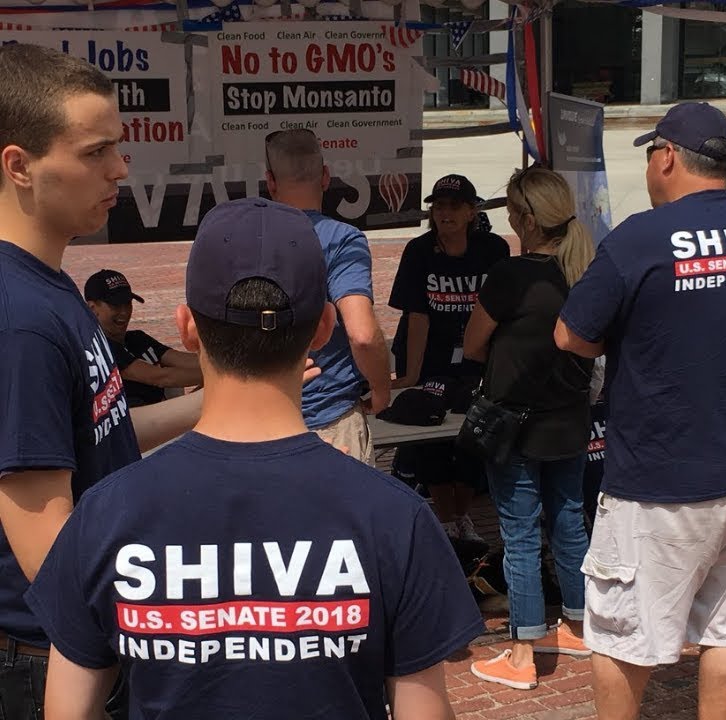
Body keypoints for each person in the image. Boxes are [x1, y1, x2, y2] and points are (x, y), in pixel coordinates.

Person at [26, 197, 484, 719]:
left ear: (186, 328)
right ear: (323, 329)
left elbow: (65, 711)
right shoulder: (396, 518)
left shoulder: (106, 512)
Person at [554, 102, 726, 720]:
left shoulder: (640, 237)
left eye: (650, 153)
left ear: (667, 156)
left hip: (660, 476)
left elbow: (570, 335)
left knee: (623, 633)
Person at [0, 44, 208, 719]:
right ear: (19, 166)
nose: (119, 168)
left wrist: (217, 401)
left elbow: (99, 434)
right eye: (95, 152)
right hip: (53, 664)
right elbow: (49, 546)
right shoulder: (20, 320)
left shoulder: (51, 284)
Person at [462, 167, 596, 690]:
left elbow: (473, 345)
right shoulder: (586, 271)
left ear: (527, 219)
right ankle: (580, 623)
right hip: (569, 419)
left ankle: (521, 654)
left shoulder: (511, 275)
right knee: (569, 523)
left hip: (516, 424)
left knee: (519, 534)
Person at [389, 173, 510, 542]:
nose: (445, 213)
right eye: (439, 206)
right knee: (431, 443)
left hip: (478, 357)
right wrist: (411, 376)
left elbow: (498, 313)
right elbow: (418, 316)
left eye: (454, 206)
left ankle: (464, 515)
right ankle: (447, 519)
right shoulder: (419, 250)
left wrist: (492, 365)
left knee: (474, 438)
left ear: (472, 211)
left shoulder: (494, 249)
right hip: (431, 357)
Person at [265, 128, 390, 466]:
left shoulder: (242, 241)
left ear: (270, 181)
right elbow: (362, 335)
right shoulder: (342, 239)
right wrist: (380, 388)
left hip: (260, 424)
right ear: (325, 176)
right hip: (331, 423)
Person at [83, 269, 203, 407]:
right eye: (115, 305)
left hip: (158, 414)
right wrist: (223, 376)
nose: (124, 312)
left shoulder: (136, 339)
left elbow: (184, 360)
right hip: (133, 423)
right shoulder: (99, 349)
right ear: (92, 308)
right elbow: (160, 377)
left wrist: (225, 365)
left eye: (127, 303)